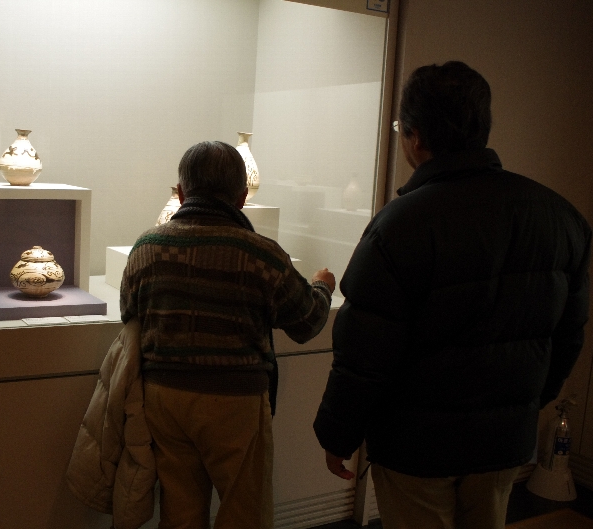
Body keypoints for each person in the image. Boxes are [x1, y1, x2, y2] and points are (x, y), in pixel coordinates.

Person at [313, 61, 591, 529]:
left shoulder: (398, 226)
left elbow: (363, 353)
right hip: (503, 441)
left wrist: (338, 434)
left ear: (416, 137)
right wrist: (523, 407)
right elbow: (569, 337)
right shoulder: (560, 217)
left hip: (415, 446)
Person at [121, 140, 335, 529]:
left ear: (181, 192)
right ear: (241, 197)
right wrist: (322, 285)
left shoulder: (145, 248)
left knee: (179, 513)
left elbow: (128, 314)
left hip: (164, 397)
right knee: (244, 511)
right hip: (235, 400)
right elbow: (308, 323)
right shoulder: (262, 254)